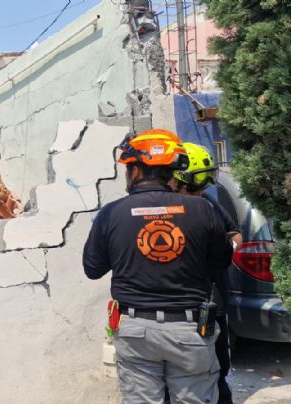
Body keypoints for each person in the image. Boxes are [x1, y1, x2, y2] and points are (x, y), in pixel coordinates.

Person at [83, 129, 233, 404]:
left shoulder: (111, 213)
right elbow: (221, 261)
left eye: (128, 169)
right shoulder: (202, 209)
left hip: (135, 332)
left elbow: (93, 269)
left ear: (136, 171)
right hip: (190, 331)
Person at [170, 142, 241, 404]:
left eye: (207, 180)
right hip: (178, 310)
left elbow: (235, 234)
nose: (200, 190)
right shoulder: (164, 211)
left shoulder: (208, 203)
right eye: (196, 183)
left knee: (219, 371)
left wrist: (227, 247)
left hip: (214, 304)